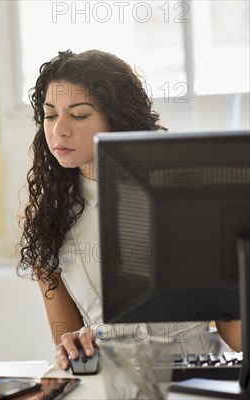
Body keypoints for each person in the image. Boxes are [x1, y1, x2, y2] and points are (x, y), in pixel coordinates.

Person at [18, 49, 242, 371]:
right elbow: (68, 343)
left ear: (116, 117)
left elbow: (232, 329)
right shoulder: (47, 218)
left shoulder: (183, 198)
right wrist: (73, 345)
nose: (58, 130)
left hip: (192, 378)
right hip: (113, 380)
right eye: (50, 114)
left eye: (78, 115)